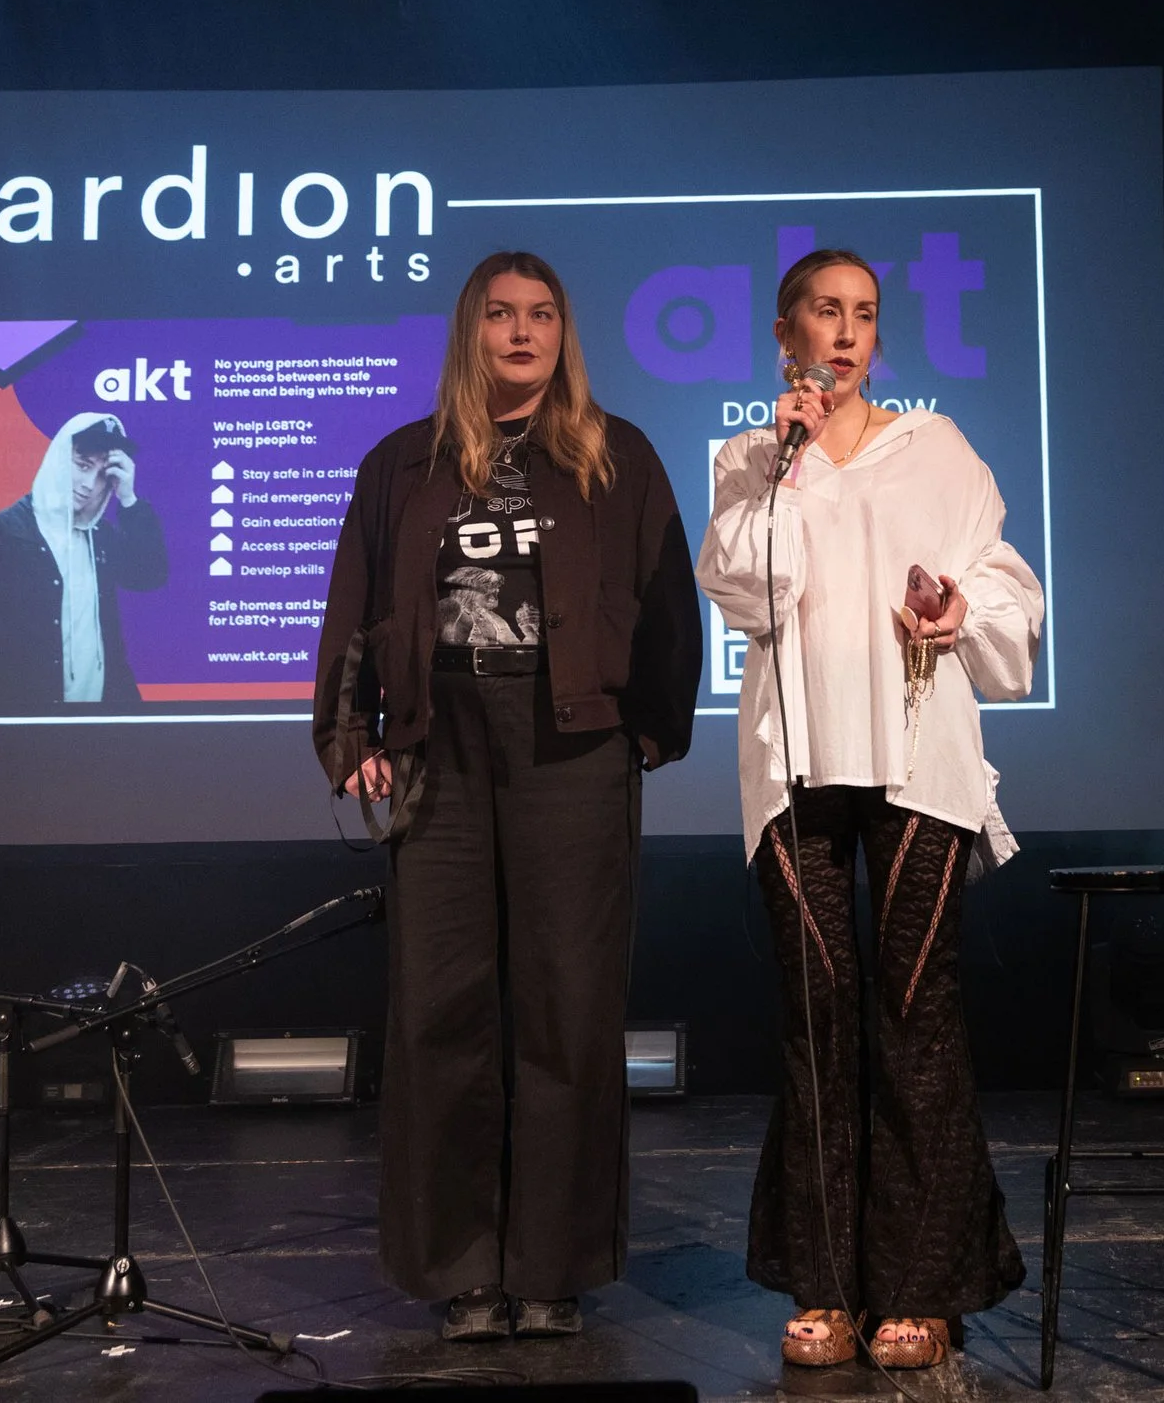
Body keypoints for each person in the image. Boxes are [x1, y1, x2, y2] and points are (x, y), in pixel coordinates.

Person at [313, 250, 701, 1343]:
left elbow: (671, 605)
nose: (521, 333)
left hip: (570, 749)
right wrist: (352, 735)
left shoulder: (614, 455)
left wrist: (652, 730)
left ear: (562, 333)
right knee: (441, 1013)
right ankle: (462, 1270)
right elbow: (353, 604)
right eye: (499, 315)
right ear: (469, 332)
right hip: (443, 743)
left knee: (567, 1013)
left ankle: (551, 1269)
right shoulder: (403, 462)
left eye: (540, 315)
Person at [694, 249, 1043, 1371]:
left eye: (864, 317)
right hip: (794, 765)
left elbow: (1005, 581)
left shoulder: (933, 449)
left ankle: (924, 1287)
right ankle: (829, 1288)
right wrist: (780, 470)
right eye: (825, 314)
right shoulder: (750, 456)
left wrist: (956, 607)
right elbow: (743, 589)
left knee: (914, 1013)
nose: (846, 334)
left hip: (915, 755)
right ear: (785, 332)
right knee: (816, 1016)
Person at [0, 412, 166, 714]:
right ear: (60, 457)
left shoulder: (99, 536)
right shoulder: (3, 535)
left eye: (103, 476)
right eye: (83, 465)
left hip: (102, 726)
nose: (90, 484)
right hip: (31, 735)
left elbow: (149, 576)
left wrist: (128, 499)